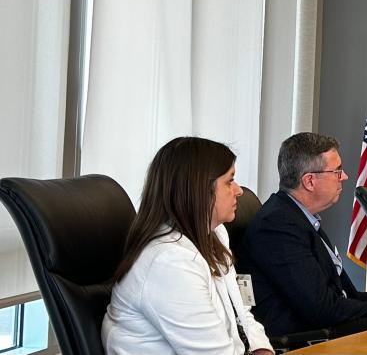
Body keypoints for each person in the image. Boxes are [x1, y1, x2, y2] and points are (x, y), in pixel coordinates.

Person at [102, 137, 273, 355]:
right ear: (200, 189)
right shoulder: (169, 261)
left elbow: (240, 312)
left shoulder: (214, 235)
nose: (239, 190)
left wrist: (261, 349)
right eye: (230, 181)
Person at [239, 133, 367, 337]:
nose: (345, 177)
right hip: (308, 338)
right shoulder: (277, 226)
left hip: (327, 325)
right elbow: (322, 308)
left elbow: (342, 294)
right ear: (310, 181)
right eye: (337, 171)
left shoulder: (299, 217)